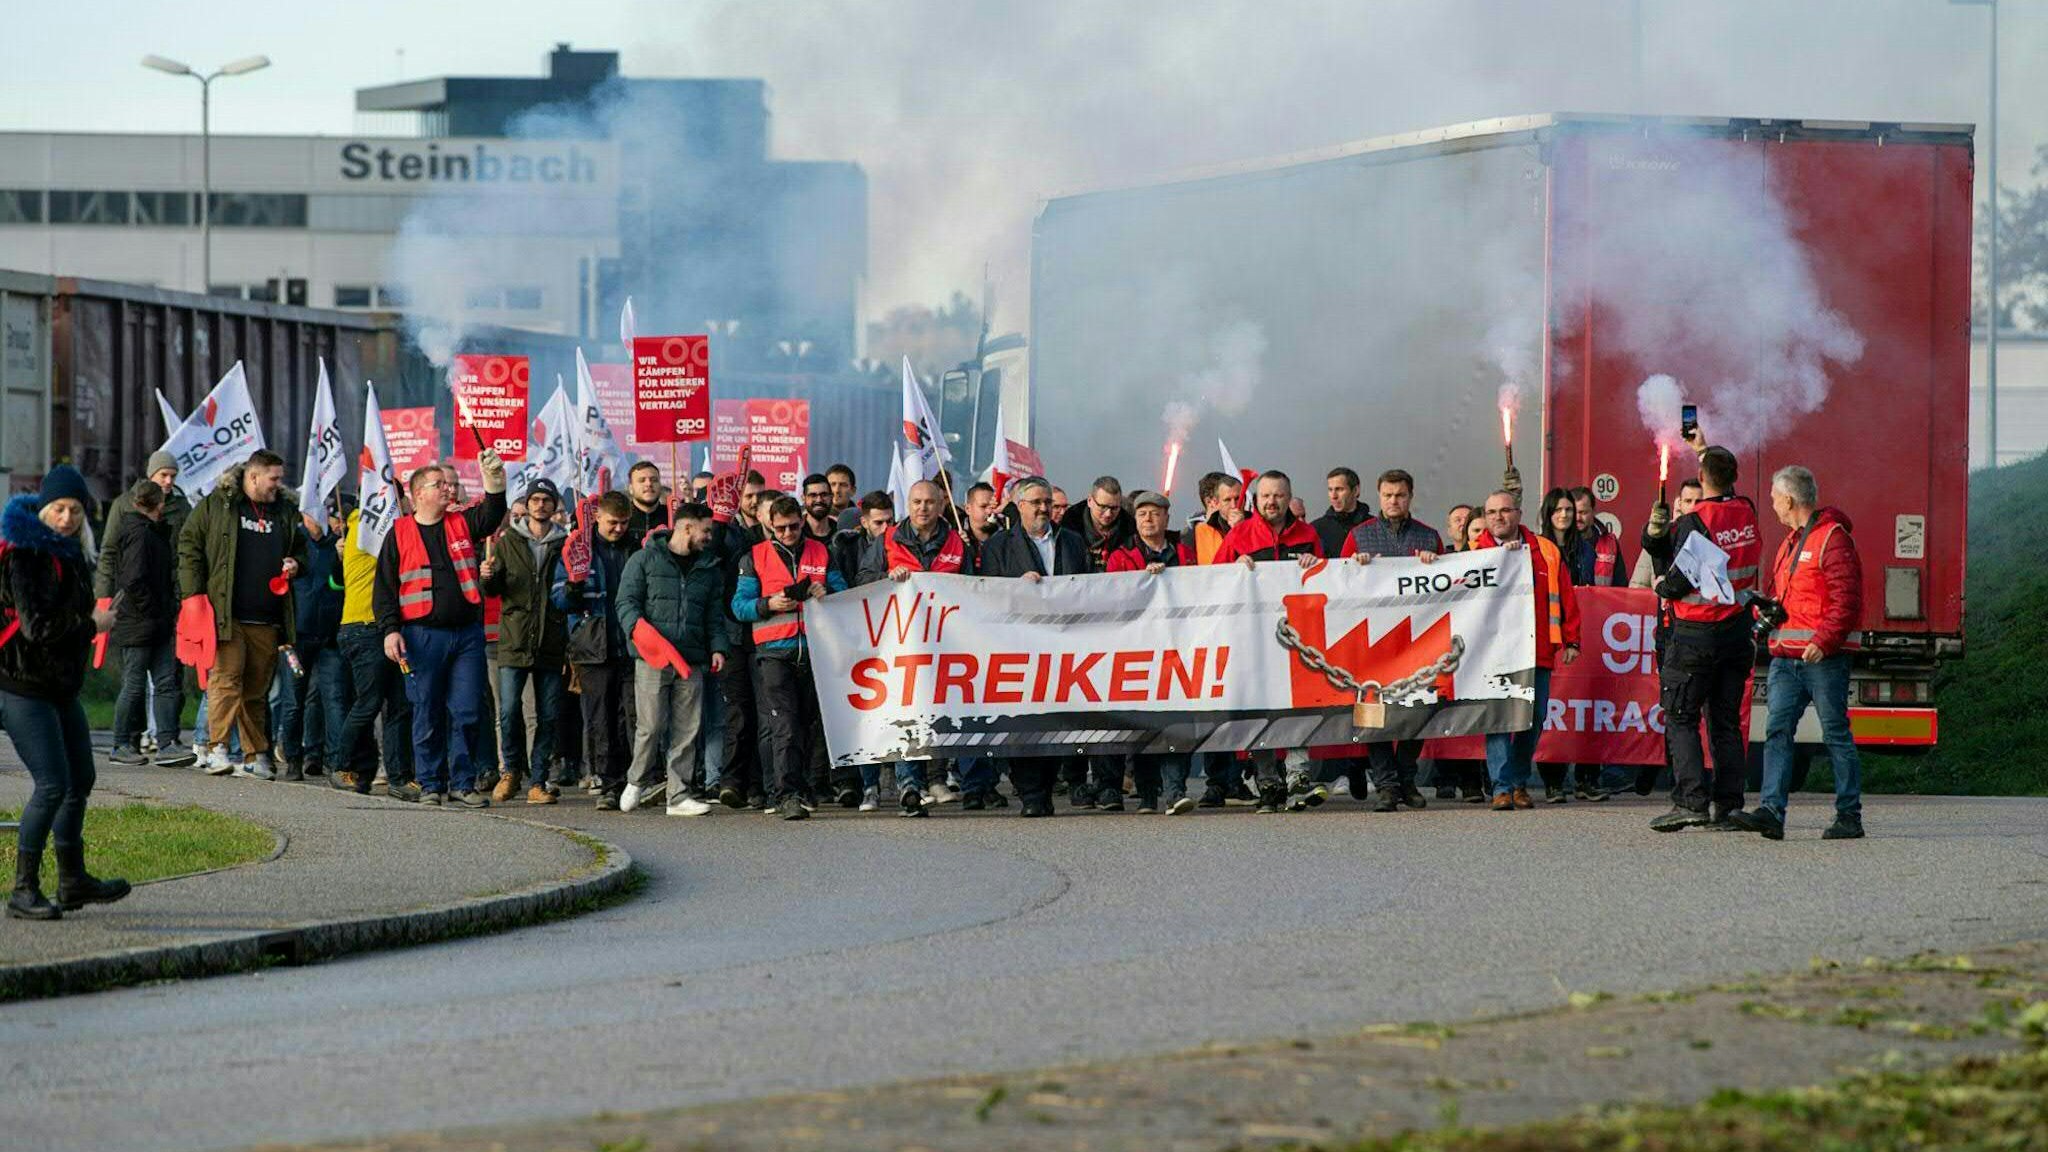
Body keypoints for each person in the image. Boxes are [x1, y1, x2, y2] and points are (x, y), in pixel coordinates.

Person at [4, 465, 127, 921]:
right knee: (52, 784)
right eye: (59, 509)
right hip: (20, 686)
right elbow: (36, 629)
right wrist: (90, 625)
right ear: (43, 510)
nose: (67, 518)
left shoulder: (71, 554)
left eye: (75, 510)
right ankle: (23, 889)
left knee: (81, 780)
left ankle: (72, 881)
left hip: (58, 688)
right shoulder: (27, 555)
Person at [1731, 466, 1865, 841]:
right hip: (1786, 657)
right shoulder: (1792, 541)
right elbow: (1792, 598)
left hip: (1822, 659)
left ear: (1789, 499)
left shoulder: (1832, 539)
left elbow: (1847, 600)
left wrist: (1823, 642)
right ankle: (1771, 813)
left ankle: (1849, 816)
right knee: (1776, 731)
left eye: (1775, 499)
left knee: (1835, 733)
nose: (1772, 506)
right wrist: (1766, 608)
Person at [373, 454, 508, 808]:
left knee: (466, 710)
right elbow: (385, 589)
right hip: (421, 636)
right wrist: (390, 631)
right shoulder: (399, 533)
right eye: (439, 485)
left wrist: (495, 481)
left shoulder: (462, 523)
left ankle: (462, 783)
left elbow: (492, 514)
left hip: (466, 635)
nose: (449, 489)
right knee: (426, 710)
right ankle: (431, 783)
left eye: (449, 484)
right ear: (418, 494)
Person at [1642, 439, 1761, 833]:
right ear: (1735, 476)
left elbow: (1676, 582)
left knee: (1680, 716)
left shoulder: (1695, 521)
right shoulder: (1747, 510)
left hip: (1696, 633)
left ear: (1699, 478)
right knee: (1725, 721)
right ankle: (1728, 806)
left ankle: (1690, 801)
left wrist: (1660, 583)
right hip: (1738, 631)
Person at [178, 449, 307, 780]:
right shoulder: (218, 504)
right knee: (226, 680)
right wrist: (193, 596)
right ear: (253, 476)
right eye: (273, 478)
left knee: (256, 689)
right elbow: (189, 544)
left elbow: (300, 550)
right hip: (227, 614)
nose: (278, 485)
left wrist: (297, 564)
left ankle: (254, 754)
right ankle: (216, 747)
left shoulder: (286, 511)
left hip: (267, 617)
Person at [858, 479, 973, 813]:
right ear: (908, 505)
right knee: (904, 710)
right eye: (917, 502)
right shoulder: (888, 539)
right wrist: (886, 578)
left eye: (929, 502)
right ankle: (909, 784)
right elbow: (861, 580)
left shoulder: (956, 543)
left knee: (935, 713)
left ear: (941, 505)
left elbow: (974, 588)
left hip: (943, 643)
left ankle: (933, 778)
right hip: (899, 641)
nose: (923, 508)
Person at [1214, 470, 1325, 814]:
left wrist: (1315, 564)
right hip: (1254, 640)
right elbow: (1213, 578)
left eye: (1278, 495)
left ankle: (1298, 779)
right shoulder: (1240, 534)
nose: (1271, 502)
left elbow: (1328, 580)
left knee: (1297, 705)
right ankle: (1268, 784)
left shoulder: (1308, 534)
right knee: (1260, 708)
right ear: (1255, 500)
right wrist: (1235, 565)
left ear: (1288, 497)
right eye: (1265, 496)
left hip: (1297, 638)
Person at [732, 494, 849, 820]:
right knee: (784, 726)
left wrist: (828, 592)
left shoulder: (821, 551)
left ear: (801, 521)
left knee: (808, 724)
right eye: (780, 528)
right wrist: (768, 604)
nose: (787, 534)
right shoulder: (753, 557)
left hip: (815, 651)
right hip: (774, 654)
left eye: (793, 527)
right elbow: (739, 606)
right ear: (770, 525)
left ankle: (804, 786)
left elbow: (843, 589)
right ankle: (787, 794)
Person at [978, 476, 1089, 816]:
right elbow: (986, 594)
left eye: (1048, 503)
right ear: (1019, 506)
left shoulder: (1072, 542)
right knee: (1021, 721)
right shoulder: (997, 545)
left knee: (1057, 720)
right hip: (1016, 646)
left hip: (1061, 645)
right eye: (1036, 502)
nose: (1043, 509)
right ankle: (1030, 794)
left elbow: (1087, 587)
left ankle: (1047, 785)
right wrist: (1017, 588)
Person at [1342, 469, 1445, 812]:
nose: (1393, 501)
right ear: (1379, 495)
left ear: (1410, 497)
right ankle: (1386, 785)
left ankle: (1406, 779)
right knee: (1373, 712)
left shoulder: (1429, 538)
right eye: (1387, 495)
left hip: (1418, 641)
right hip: (1371, 642)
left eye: (1400, 495)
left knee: (1418, 711)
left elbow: (1450, 588)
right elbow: (1339, 583)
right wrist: (1355, 567)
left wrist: (1435, 564)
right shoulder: (1360, 536)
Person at [1474, 489, 1581, 812]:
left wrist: (1572, 639)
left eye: (1505, 511)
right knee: (1497, 720)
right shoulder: (1473, 552)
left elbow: (1566, 596)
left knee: (1533, 719)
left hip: (1538, 650)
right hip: (1491, 655)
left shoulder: (1545, 550)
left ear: (1518, 514)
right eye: (1492, 512)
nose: (1498, 517)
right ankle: (1502, 787)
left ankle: (1519, 781)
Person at [618, 501, 727, 817]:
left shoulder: (708, 568)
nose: (709, 537)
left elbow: (713, 616)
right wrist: (638, 633)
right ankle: (636, 781)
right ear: (687, 527)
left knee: (687, 729)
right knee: (651, 726)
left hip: (691, 659)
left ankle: (677, 796)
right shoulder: (644, 560)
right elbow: (626, 603)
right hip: (653, 658)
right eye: (706, 530)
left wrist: (718, 647)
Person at [95, 450, 192, 757]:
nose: (168, 481)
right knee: (135, 682)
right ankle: (125, 741)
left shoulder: (177, 509)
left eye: (173, 476)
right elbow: (118, 562)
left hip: (162, 610)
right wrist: (104, 596)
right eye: (163, 475)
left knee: (166, 680)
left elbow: (183, 554)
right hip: (142, 615)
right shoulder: (131, 519)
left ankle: (166, 741)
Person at [1106, 490, 1197, 813]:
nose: (1149, 519)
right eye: (1142, 513)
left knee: (1178, 723)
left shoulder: (1185, 554)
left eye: (1155, 513)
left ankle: (1175, 791)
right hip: (1139, 650)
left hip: (1177, 649)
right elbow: (1112, 596)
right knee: (1144, 725)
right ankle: (1147, 794)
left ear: (1166, 518)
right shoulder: (1121, 556)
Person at [482, 477, 569, 805]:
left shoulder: (565, 542)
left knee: (547, 714)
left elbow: (569, 591)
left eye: (547, 500)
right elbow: (494, 590)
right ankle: (511, 772)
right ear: (527, 504)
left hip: (550, 638)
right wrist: (487, 577)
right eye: (535, 499)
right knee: (507, 712)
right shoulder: (508, 541)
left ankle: (539, 779)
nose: (540, 505)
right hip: (514, 638)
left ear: (554, 506)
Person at [554, 490, 637, 810]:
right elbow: (559, 600)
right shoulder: (579, 547)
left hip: (630, 643)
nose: (619, 528)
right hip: (592, 644)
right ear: (598, 518)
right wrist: (574, 583)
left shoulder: (634, 546)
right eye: (613, 523)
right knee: (599, 718)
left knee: (630, 716)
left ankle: (632, 779)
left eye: (624, 522)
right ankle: (607, 781)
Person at [334, 501, 413, 796]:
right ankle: (340, 764)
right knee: (370, 703)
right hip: (365, 626)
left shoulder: (363, 526)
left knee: (398, 705)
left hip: (384, 627)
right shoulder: (369, 528)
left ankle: (396, 777)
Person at [274, 495, 348, 782]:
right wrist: (282, 631)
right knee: (295, 699)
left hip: (329, 637)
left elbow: (340, 585)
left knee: (335, 698)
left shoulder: (337, 546)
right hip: (296, 639)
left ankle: (335, 762)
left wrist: (342, 560)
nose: (318, 519)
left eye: (324, 512)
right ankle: (293, 757)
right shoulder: (293, 543)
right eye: (312, 513)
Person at [1533, 487, 1598, 804]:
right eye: (1558, 509)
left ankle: (1586, 779)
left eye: (1569, 510)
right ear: (1548, 513)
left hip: (1576, 637)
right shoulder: (1536, 548)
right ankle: (1552, 781)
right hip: (1545, 640)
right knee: (1550, 710)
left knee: (1581, 707)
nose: (1564, 515)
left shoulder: (1586, 549)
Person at [710, 471, 769, 810]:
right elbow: (713, 558)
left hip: (766, 637)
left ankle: (759, 784)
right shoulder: (728, 532)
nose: (753, 501)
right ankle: (731, 782)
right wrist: (719, 520)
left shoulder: (779, 535)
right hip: (733, 636)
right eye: (749, 496)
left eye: (760, 497)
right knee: (738, 713)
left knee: (766, 714)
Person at [1630, 480, 1700, 589]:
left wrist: (1663, 588)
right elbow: (1653, 545)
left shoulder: (1713, 533)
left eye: (1698, 502)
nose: (1693, 507)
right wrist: (1653, 533)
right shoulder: (1666, 534)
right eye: (1688, 501)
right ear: (1680, 504)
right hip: (1668, 605)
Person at [1059, 475, 1135, 573]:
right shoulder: (1069, 526)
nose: (1108, 514)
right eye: (1102, 507)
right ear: (1090, 501)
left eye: (1114, 508)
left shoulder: (1130, 528)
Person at [832, 490, 891, 587]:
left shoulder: (904, 543)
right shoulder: (847, 550)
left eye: (889, 521)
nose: (885, 528)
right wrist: (889, 577)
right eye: (878, 523)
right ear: (864, 523)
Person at [1572, 487, 1628, 588]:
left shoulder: (1610, 543)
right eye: (1573, 512)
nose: (1577, 518)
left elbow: (1621, 588)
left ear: (1593, 512)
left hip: (1602, 603)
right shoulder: (1559, 543)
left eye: (1583, 512)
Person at [1313, 468, 1371, 558]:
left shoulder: (1375, 526)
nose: (1333, 496)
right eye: (1330, 490)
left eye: (1339, 489)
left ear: (1355, 490)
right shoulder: (1316, 529)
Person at [1190, 472, 1246, 565]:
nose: (1234, 505)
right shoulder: (1199, 531)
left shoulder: (1257, 524)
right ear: (1216, 502)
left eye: (1238, 498)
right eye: (1227, 500)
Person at [624, 461, 670, 540]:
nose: (649, 484)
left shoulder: (672, 516)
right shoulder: (622, 517)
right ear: (631, 488)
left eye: (654, 480)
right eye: (642, 480)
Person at [800, 473, 839, 545]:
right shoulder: (796, 533)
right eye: (813, 495)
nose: (819, 500)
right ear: (803, 498)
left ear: (831, 497)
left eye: (824, 495)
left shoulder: (841, 534)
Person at [827, 463, 861, 530]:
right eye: (832, 484)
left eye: (843, 485)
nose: (836, 490)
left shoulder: (862, 520)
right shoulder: (810, 518)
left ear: (853, 490)